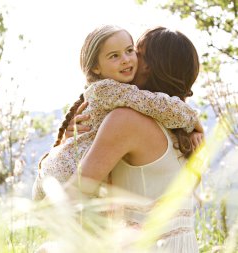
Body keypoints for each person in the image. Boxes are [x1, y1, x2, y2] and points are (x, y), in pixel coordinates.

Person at [65, 27, 201, 252]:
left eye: (134, 51)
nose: (128, 60)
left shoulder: (126, 120)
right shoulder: (182, 127)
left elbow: (74, 192)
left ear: (147, 65)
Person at [32, 25, 202, 201]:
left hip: (62, 180)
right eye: (114, 55)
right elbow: (153, 104)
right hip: (59, 177)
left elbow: (155, 105)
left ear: (151, 66)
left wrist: (191, 122)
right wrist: (192, 120)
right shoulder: (110, 92)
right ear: (96, 67)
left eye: (132, 51)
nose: (127, 60)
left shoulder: (132, 113)